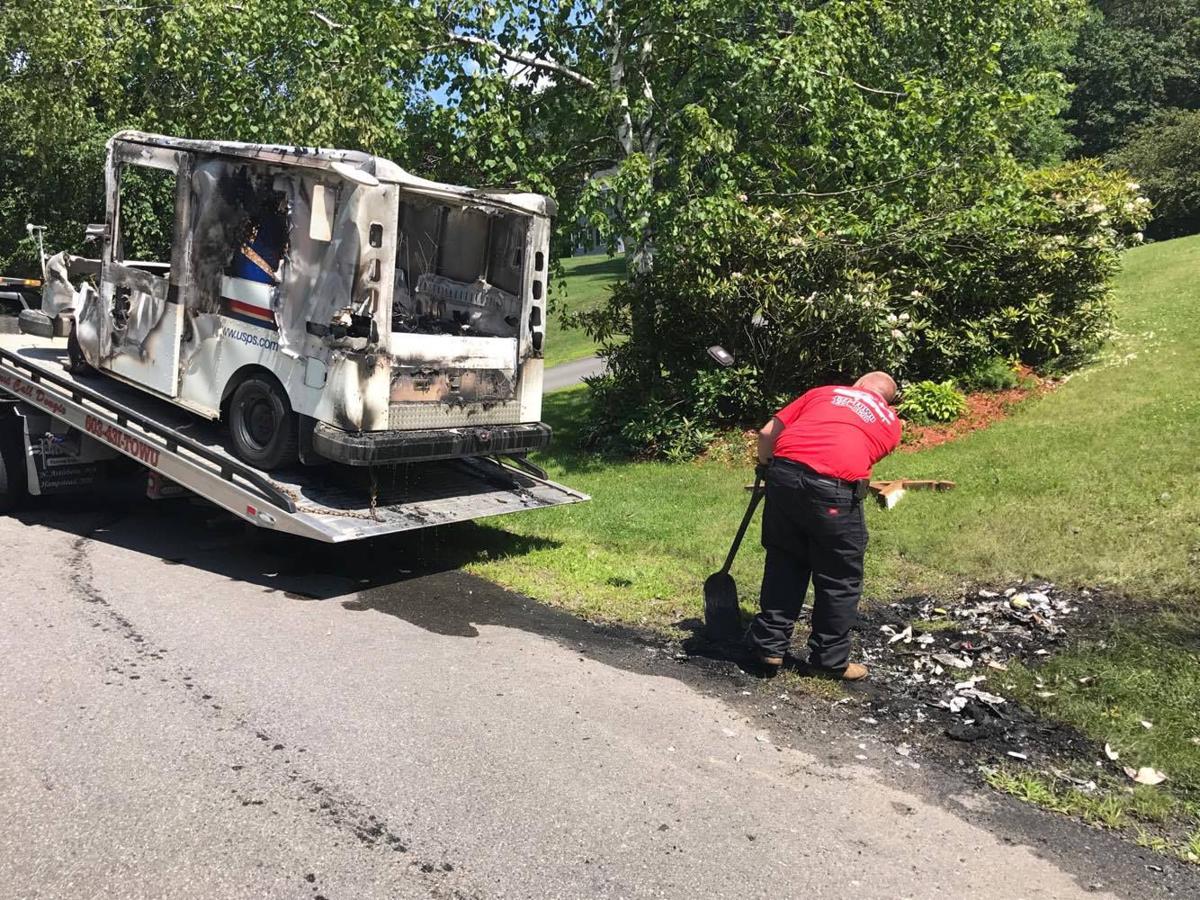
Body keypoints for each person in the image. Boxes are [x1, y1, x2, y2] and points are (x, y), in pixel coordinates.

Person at [745, 372, 902, 680]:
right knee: (839, 576)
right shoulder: (891, 422)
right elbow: (858, 454)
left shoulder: (823, 392)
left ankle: (769, 647)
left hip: (784, 476)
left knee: (785, 559)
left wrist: (764, 466)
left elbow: (766, 434)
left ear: (856, 384)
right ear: (888, 401)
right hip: (834, 489)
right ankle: (829, 661)